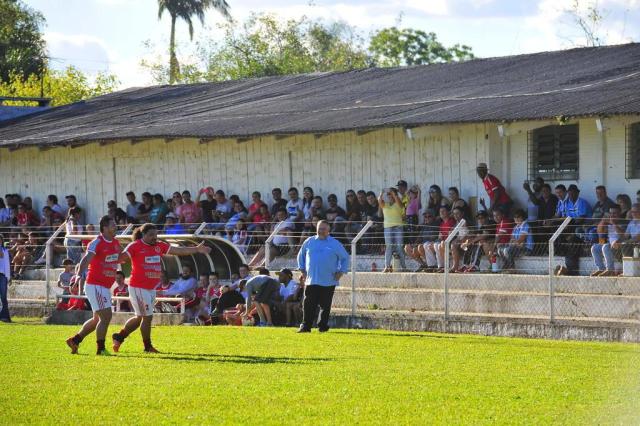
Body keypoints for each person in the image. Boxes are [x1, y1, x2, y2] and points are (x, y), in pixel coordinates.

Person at [111, 223, 211, 353]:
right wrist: (107, 255)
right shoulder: (135, 246)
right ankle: (147, 347)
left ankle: (119, 337)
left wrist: (196, 249)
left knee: (140, 317)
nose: (154, 237)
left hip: (150, 289)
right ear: (143, 235)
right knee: (147, 317)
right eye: (151, 235)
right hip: (138, 288)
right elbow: (120, 258)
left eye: (156, 235)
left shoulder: (159, 246)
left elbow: (178, 251)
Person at [65, 216, 121, 356]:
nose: (116, 227)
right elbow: (85, 259)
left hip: (104, 287)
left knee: (97, 319)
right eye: (113, 225)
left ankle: (75, 340)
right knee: (106, 317)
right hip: (95, 285)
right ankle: (100, 349)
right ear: (105, 228)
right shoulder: (97, 242)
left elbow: (123, 256)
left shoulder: (115, 242)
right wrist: (78, 275)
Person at [297, 220, 349, 333]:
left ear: (328, 231)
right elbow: (300, 256)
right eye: (319, 228)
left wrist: (341, 272)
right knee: (308, 304)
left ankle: (322, 326)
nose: (321, 231)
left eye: (324, 229)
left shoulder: (335, 243)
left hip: (328, 280)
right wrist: (302, 270)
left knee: (325, 306)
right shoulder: (309, 241)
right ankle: (305, 326)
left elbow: (345, 258)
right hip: (311, 280)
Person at [590, 204, 625, 277]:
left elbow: (623, 235)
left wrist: (613, 223)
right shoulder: (608, 223)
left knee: (606, 247)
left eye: (614, 213)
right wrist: (603, 221)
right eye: (611, 213)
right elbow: (599, 231)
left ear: (620, 213)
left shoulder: (624, 222)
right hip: (609, 244)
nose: (612, 215)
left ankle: (610, 270)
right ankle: (601, 269)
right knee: (595, 248)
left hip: (619, 246)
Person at [378, 187, 407, 272]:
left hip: (398, 227)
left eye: (391, 194)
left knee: (399, 247)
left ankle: (403, 267)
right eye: (388, 194)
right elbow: (379, 201)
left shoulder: (399, 203)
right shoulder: (385, 204)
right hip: (388, 228)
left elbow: (401, 205)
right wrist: (381, 193)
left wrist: (393, 193)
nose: (389, 195)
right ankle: (387, 266)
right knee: (389, 247)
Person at [0, 234, 11, 322]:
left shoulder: (5, 250)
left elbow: (2, 256)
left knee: (3, 296)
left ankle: (5, 316)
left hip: (3, 275)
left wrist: (8, 276)